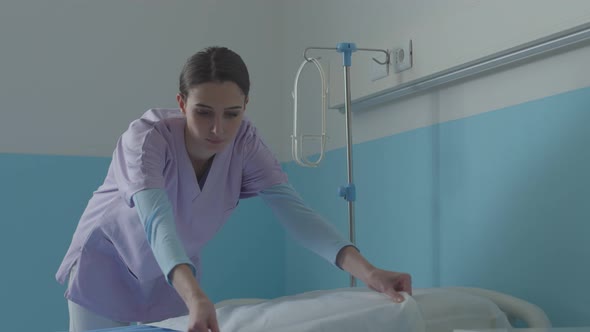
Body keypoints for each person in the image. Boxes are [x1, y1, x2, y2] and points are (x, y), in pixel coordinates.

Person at [56, 46, 412, 332]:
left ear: (246, 107)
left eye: (231, 113)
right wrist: (195, 296)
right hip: (107, 266)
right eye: (203, 112)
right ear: (181, 104)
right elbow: (156, 223)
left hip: (171, 278)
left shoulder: (245, 145)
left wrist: (369, 272)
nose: (217, 129)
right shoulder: (147, 139)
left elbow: (297, 214)